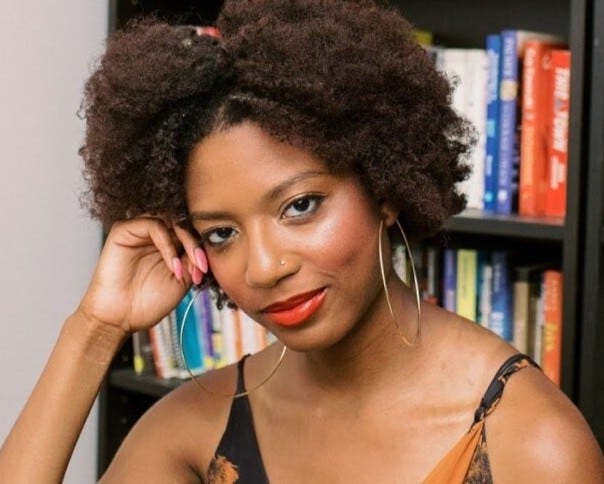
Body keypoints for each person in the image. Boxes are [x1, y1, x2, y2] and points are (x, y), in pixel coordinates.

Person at [0, 0, 602, 482]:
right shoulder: (195, 428)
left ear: (383, 186)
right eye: (222, 233)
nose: (264, 268)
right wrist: (94, 329)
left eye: (301, 206)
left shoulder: (531, 444)